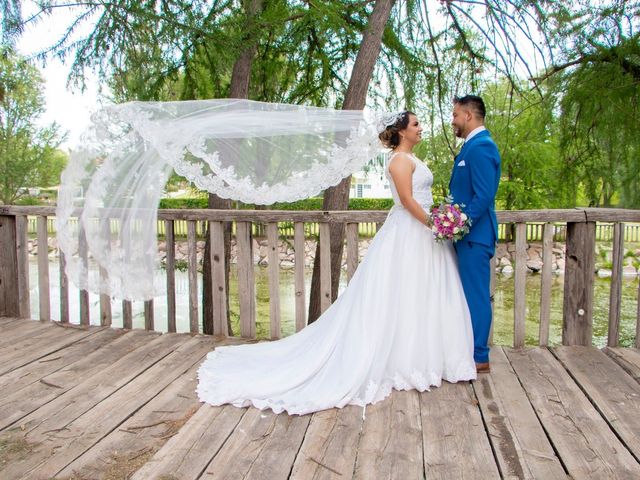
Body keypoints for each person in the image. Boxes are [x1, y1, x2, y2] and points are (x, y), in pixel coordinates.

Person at [196, 111, 477, 415]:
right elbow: (408, 202)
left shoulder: (411, 158)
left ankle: (423, 355)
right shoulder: (398, 160)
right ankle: (400, 359)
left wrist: (439, 219)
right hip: (411, 231)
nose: (421, 128)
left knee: (419, 294)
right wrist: (435, 223)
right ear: (401, 131)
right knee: (401, 291)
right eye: (416, 124)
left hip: (422, 233)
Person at [449, 95, 501, 373]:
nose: (453, 120)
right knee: (468, 293)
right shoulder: (472, 147)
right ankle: (468, 348)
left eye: (456, 115)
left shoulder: (481, 148)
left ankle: (479, 355)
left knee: (477, 295)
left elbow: (483, 196)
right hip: (466, 236)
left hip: (474, 237)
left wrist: (459, 223)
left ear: (468, 116)